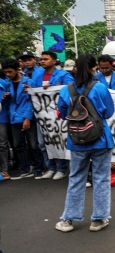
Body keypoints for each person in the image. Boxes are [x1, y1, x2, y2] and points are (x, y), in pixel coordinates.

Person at [55, 54, 115, 233]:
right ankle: (98, 219)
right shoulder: (100, 88)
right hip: (100, 139)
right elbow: (108, 112)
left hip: (77, 140)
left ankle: (68, 219)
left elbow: (62, 112)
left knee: (76, 178)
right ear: (94, 67)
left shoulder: (66, 90)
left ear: (74, 68)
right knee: (101, 178)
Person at [34, 51, 75, 181]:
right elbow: (33, 91)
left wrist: (54, 87)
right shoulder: (37, 75)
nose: (42, 61)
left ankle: (62, 169)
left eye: (46, 59)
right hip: (42, 116)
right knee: (43, 143)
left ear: (54, 61)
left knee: (59, 142)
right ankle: (51, 167)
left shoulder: (63, 75)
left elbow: (71, 89)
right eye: (41, 59)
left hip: (58, 115)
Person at [1, 59, 44, 179]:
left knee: (34, 144)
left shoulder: (29, 82)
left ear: (17, 70)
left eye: (10, 72)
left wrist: (27, 118)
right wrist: (4, 98)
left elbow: (33, 102)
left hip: (27, 116)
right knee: (18, 145)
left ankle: (39, 168)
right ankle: (25, 168)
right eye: (6, 72)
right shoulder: (6, 84)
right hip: (14, 117)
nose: (8, 74)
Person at [0, 72, 11, 179]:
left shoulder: (4, 84)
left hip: (2, 118)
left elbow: (10, 102)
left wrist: (5, 99)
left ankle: (4, 170)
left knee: (2, 144)